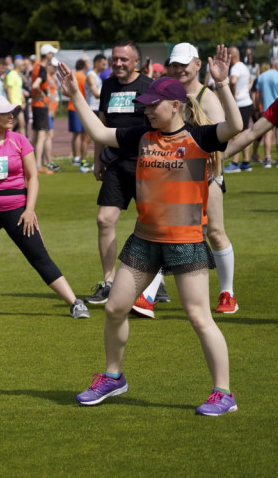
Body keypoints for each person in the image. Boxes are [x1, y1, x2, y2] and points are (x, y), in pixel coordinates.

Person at [61, 48, 242, 416]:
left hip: (186, 242)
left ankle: (224, 393)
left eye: (152, 105)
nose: (146, 110)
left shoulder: (200, 137)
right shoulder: (141, 136)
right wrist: (75, 94)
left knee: (198, 317)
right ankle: (114, 376)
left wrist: (221, 84)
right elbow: (98, 131)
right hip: (143, 241)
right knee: (114, 308)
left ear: (174, 105)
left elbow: (235, 127)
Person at [0, 94, 89, 319]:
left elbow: (33, 177)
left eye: (12, 112)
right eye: (5, 113)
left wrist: (29, 211)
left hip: (18, 212)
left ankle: (75, 303)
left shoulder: (19, 140)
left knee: (39, 257)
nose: (11, 116)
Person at [162, 43, 240, 314]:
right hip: (174, 180)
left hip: (207, 177)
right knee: (166, 233)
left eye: (184, 64)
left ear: (197, 65)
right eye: (174, 64)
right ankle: (148, 293)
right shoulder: (167, 95)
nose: (179, 69)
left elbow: (225, 139)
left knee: (215, 233)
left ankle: (227, 293)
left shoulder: (207, 96)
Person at [86, 41, 154, 306]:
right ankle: (108, 282)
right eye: (115, 59)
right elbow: (101, 124)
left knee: (152, 223)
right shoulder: (108, 85)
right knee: (104, 219)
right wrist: (97, 160)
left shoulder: (149, 86)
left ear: (135, 61)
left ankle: (153, 283)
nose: (118, 64)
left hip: (146, 164)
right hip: (116, 162)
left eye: (124, 59)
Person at [223, 46, 255, 173]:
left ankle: (235, 162)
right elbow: (251, 80)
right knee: (244, 132)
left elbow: (233, 80)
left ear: (231, 56)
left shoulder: (235, 68)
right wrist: (246, 90)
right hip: (246, 102)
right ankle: (246, 161)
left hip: (239, 104)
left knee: (235, 133)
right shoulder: (244, 66)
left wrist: (232, 94)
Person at [30, 44, 59, 174]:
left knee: (37, 135)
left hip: (36, 105)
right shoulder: (41, 68)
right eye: (51, 53)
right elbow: (36, 85)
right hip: (41, 105)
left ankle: (34, 163)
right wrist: (43, 95)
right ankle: (37, 165)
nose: (52, 55)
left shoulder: (36, 66)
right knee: (41, 135)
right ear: (47, 54)